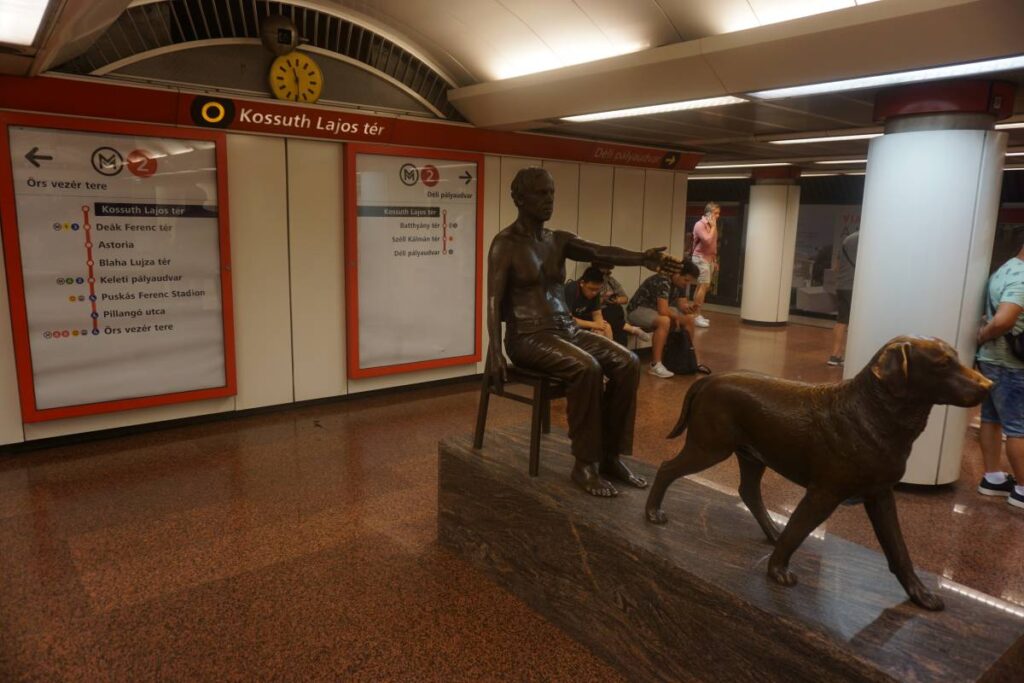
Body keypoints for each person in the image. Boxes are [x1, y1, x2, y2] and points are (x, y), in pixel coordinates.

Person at [487, 167, 684, 498]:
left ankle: (610, 456)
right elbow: (493, 301)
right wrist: (494, 353)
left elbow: (600, 252)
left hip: (565, 329)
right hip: (528, 337)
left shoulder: (558, 240)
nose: (549, 200)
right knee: (587, 368)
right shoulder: (504, 244)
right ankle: (585, 463)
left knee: (628, 361)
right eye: (540, 193)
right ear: (519, 199)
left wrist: (642, 258)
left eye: (551, 192)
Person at [976, 245, 1024, 510]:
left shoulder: (1005, 269)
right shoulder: (1022, 277)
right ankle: (1022, 490)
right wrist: (982, 335)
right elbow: (1004, 320)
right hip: (1011, 363)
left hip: (991, 360)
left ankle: (993, 478)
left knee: (991, 418)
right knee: (1019, 427)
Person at [626, 261, 709, 378]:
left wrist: (690, 309)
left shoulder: (680, 284)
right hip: (638, 310)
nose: (687, 284)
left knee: (689, 319)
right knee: (664, 321)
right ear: (677, 273)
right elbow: (663, 310)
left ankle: (686, 357)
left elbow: (682, 305)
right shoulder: (663, 280)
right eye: (686, 280)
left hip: (654, 309)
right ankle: (655, 365)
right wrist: (678, 318)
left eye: (689, 281)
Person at [591, 262, 651, 346]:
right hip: (599, 312)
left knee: (615, 314)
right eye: (602, 272)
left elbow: (625, 298)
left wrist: (616, 299)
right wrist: (603, 299)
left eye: (607, 272)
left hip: (614, 312)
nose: (604, 275)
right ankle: (631, 329)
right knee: (618, 328)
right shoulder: (590, 282)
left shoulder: (611, 281)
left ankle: (629, 329)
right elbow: (590, 303)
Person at [829, 229, 859, 366]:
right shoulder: (865, 240)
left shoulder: (846, 240)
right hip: (854, 287)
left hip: (841, 286)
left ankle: (835, 355)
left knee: (841, 321)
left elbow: (836, 267)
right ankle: (854, 357)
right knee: (856, 323)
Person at [690, 202, 720, 328]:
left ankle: (695, 313)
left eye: (718, 213)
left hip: (709, 259)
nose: (718, 216)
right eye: (715, 213)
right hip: (700, 257)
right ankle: (695, 316)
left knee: (702, 287)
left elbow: (713, 244)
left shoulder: (712, 225)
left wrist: (714, 260)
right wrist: (713, 227)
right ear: (708, 213)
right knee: (704, 285)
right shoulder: (699, 225)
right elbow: (707, 240)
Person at [563, 267, 613, 339]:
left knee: (606, 328)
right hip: (565, 324)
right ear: (582, 283)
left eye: (597, 289)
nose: (594, 293)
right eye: (591, 289)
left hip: (582, 321)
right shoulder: (571, 289)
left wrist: (600, 324)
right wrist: (594, 325)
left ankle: (610, 350)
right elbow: (568, 320)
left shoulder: (595, 292)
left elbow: (597, 313)